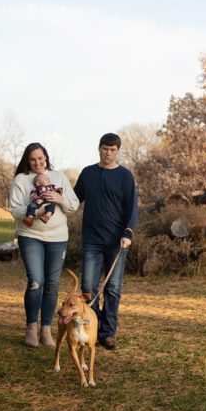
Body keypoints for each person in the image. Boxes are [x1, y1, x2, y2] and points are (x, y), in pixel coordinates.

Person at [8, 142, 80, 348]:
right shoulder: (22, 180)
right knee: (36, 281)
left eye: (40, 158)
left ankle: (46, 329)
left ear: (46, 158)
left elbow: (73, 206)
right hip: (30, 236)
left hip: (57, 238)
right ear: (27, 161)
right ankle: (31, 327)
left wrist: (60, 198)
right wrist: (36, 213)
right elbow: (14, 209)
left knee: (52, 284)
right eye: (33, 159)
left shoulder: (58, 177)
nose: (37, 162)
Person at [74, 132, 138, 351]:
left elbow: (132, 208)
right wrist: (53, 200)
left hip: (116, 243)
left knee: (112, 289)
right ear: (99, 148)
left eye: (112, 150)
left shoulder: (125, 176)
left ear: (118, 151)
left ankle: (107, 333)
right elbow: (74, 200)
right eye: (105, 149)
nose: (108, 153)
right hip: (92, 240)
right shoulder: (88, 173)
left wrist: (127, 233)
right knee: (88, 287)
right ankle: (95, 324)